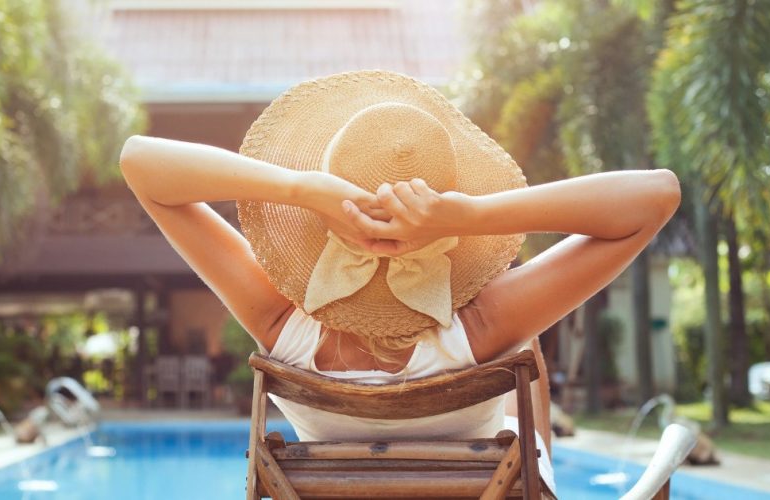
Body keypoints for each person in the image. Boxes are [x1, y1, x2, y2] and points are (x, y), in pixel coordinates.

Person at [119, 70, 680, 495]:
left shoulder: (280, 323)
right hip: (489, 485)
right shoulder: (483, 328)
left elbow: (140, 161)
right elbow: (656, 196)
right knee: (523, 353)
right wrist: (470, 216)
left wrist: (301, 189)